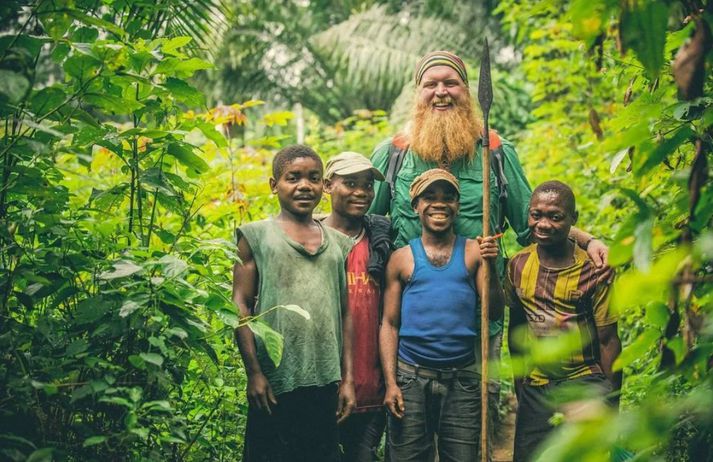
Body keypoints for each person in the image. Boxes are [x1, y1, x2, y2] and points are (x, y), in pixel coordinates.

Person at [368, 50, 612, 456]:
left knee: (471, 434)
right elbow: (363, 225)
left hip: (481, 325)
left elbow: (530, 224)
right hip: (410, 328)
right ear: (417, 92)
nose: (441, 92)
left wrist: (587, 241)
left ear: (466, 91)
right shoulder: (393, 154)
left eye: (451, 83)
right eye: (432, 84)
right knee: (411, 437)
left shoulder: (495, 152)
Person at [233, 144, 356, 462]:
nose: (304, 185)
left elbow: (344, 314)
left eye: (314, 178)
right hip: (275, 382)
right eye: (293, 177)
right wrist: (254, 373)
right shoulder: (256, 236)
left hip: (325, 381)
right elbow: (240, 305)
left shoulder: (338, 244)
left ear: (323, 186)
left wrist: (348, 380)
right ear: (274, 185)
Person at [380, 169, 505, 462]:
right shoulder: (401, 259)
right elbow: (389, 323)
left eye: (448, 197)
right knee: (407, 456)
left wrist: (491, 267)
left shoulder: (474, 252)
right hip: (411, 377)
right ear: (415, 206)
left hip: (462, 379)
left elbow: (495, 311)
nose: (439, 204)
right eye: (429, 197)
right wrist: (391, 383)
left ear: (458, 206)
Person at [505, 180, 621, 462]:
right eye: (536, 215)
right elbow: (517, 328)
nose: (543, 224)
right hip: (537, 385)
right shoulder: (518, 266)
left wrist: (611, 402)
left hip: (584, 380)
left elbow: (608, 340)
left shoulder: (594, 270)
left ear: (573, 220)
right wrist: (521, 384)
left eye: (555, 217)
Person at [321, 151, 393, 461]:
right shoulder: (311, 240)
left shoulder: (380, 243)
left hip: (371, 388)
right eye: (350, 183)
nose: (361, 192)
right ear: (327, 186)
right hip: (321, 387)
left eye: (367, 185)